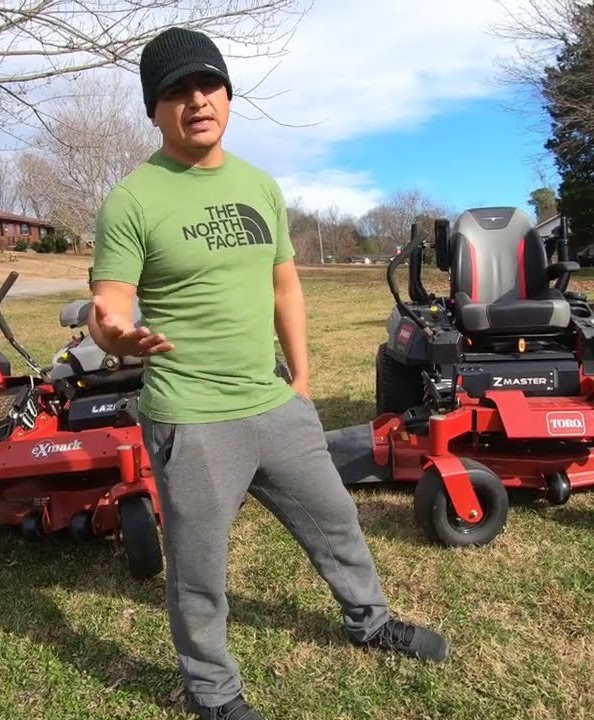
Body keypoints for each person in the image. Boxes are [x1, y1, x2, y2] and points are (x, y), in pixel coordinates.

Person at [85, 26, 449, 720]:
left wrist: (303, 380)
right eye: (176, 91)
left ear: (227, 94)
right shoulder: (132, 201)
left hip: (273, 401)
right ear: (154, 109)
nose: (197, 100)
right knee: (198, 571)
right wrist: (114, 334)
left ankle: (370, 621)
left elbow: (286, 286)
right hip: (190, 417)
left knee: (337, 521)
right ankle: (213, 694)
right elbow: (110, 301)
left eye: (208, 84)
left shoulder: (260, 185)